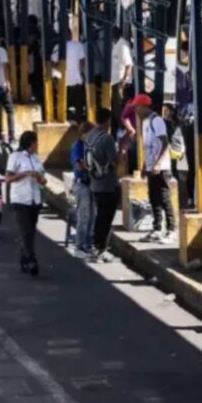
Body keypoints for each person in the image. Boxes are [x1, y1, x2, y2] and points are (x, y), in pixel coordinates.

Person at [136, 94, 176, 245]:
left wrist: (158, 163)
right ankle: (157, 228)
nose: (136, 111)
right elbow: (147, 147)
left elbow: (165, 143)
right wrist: (144, 166)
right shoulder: (145, 122)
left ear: (144, 107)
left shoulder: (156, 121)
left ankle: (171, 230)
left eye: (137, 107)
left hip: (161, 167)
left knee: (165, 198)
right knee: (154, 198)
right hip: (151, 167)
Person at [5, 131, 46, 276]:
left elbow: (43, 180)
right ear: (31, 143)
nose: (37, 145)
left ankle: (24, 258)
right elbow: (8, 178)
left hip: (34, 199)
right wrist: (24, 174)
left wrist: (40, 178)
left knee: (30, 231)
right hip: (20, 199)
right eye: (36, 142)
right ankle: (31, 259)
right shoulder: (15, 157)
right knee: (26, 230)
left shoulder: (36, 158)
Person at [85, 107, 120, 260]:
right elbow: (115, 160)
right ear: (108, 121)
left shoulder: (89, 136)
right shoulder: (107, 139)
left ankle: (96, 246)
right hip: (108, 184)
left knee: (100, 215)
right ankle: (100, 249)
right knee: (106, 218)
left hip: (94, 182)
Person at [69, 118, 97, 260]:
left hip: (93, 184)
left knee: (94, 215)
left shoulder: (92, 146)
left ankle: (89, 244)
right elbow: (81, 164)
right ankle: (79, 246)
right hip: (83, 184)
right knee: (84, 215)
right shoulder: (78, 146)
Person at [52, 34, 87, 122]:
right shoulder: (78, 45)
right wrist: (85, 78)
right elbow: (82, 64)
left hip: (63, 83)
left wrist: (56, 79)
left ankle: (67, 123)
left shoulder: (58, 47)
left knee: (64, 107)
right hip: (77, 82)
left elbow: (52, 64)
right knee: (79, 107)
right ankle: (78, 124)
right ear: (71, 35)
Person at [110, 26, 133, 115]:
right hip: (115, 81)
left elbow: (129, 65)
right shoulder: (115, 45)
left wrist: (122, 83)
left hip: (121, 82)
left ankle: (123, 127)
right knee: (115, 108)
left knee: (120, 109)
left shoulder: (123, 46)